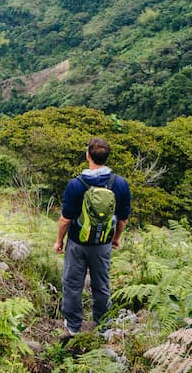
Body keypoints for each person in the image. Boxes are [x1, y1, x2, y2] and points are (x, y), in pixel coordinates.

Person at [53, 137, 131, 336]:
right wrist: (116, 238)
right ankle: (103, 326)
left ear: (87, 155)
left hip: (77, 243)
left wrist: (59, 241)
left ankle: (73, 326)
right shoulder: (120, 184)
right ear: (107, 157)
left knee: (72, 283)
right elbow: (123, 218)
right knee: (101, 284)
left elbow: (65, 219)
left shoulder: (76, 184)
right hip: (103, 244)